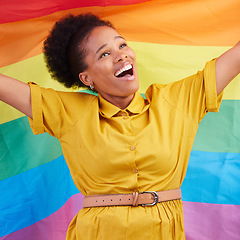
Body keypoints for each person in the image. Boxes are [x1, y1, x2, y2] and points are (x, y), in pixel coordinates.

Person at [0, 13, 239, 240]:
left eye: (122, 45)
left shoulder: (175, 101)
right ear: (86, 79)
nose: (121, 55)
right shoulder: (69, 112)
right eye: (104, 54)